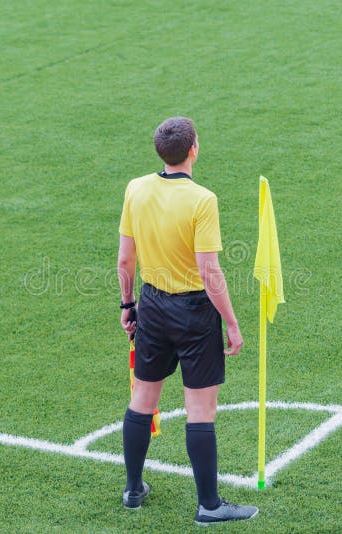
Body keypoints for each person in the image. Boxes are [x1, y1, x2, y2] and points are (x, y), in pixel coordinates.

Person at [116, 117, 258, 525]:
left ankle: (132, 489)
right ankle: (209, 506)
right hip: (195, 312)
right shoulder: (202, 199)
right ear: (194, 148)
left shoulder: (136, 189)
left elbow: (126, 258)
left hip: (153, 306)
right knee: (199, 409)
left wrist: (128, 306)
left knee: (142, 400)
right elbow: (209, 271)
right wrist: (231, 321)